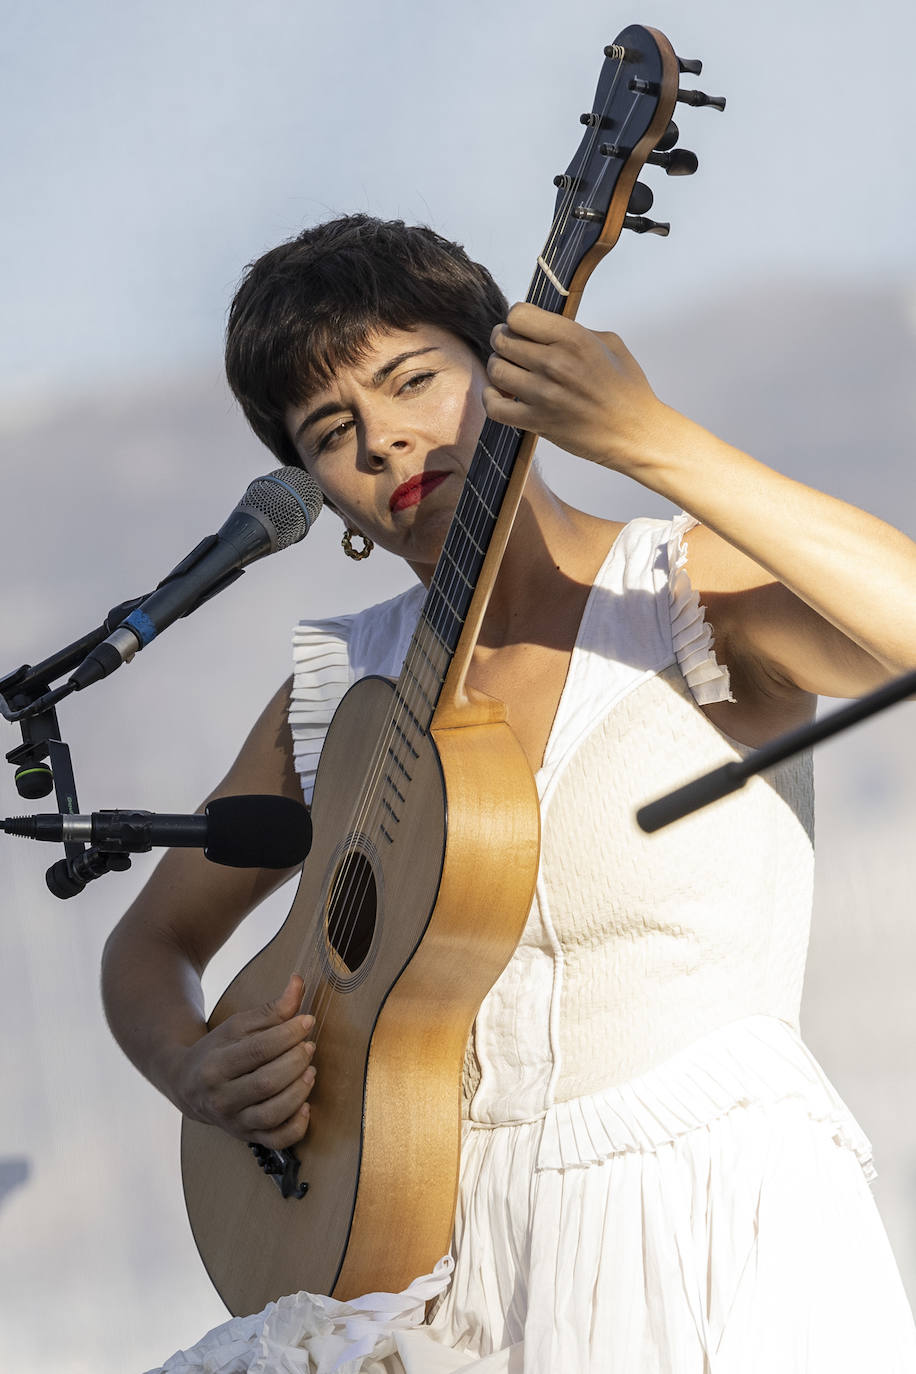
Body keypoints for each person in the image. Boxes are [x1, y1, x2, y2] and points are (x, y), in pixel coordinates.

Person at [102, 215, 916, 1373]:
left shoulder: (678, 593)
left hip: (705, 1233)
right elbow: (148, 944)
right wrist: (193, 1066)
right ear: (319, 493)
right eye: (335, 433)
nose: (387, 442)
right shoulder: (339, 686)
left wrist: (652, 441)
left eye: (413, 380)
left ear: (507, 369)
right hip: (434, 1269)